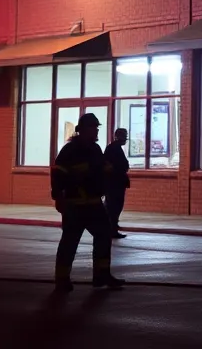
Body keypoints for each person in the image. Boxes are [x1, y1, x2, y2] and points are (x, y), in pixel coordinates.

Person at [50, 113, 125, 292]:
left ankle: (102, 275)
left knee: (104, 235)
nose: (96, 130)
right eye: (93, 127)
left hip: (93, 203)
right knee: (70, 241)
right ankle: (62, 279)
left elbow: (99, 169)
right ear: (82, 130)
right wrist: (58, 198)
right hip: (75, 204)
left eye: (96, 127)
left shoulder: (95, 149)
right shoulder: (69, 150)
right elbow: (58, 174)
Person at [103, 128, 131, 238]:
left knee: (113, 206)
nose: (126, 139)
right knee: (114, 206)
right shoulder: (113, 148)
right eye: (125, 136)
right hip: (114, 183)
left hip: (115, 183)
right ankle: (112, 228)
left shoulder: (115, 148)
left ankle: (112, 226)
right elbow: (111, 166)